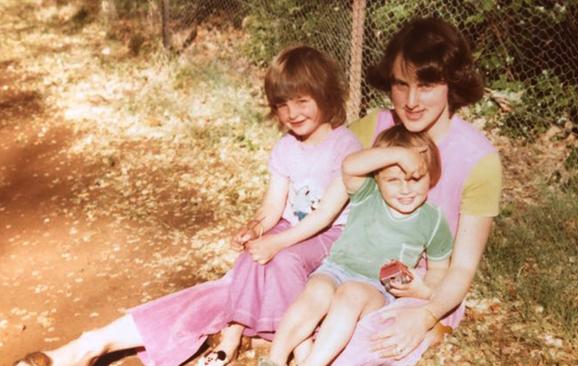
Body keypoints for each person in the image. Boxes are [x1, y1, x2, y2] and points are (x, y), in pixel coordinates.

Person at [14, 45, 361, 366]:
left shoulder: (344, 145)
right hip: (290, 236)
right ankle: (93, 345)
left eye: (301, 101)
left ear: (324, 94)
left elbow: (326, 215)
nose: (291, 113)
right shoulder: (285, 148)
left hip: (327, 241)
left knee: (262, 269)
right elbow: (274, 208)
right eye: (282, 105)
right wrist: (255, 228)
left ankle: (266, 340)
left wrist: (275, 243)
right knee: (247, 262)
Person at [332, 16, 503, 365]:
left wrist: (426, 315)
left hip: (428, 288)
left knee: (362, 349)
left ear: (451, 86)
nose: (410, 101)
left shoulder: (479, 159)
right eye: (400, 84)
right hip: (355, 267)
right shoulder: (373, 128)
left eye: (426, 85)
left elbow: (463, 267)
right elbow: (328, 206)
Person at [264, 124, 454, 366]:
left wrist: (426, 291)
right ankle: (274, 359)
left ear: (432, 175)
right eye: (394, 180)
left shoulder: (433, 219)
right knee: (316, 292)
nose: (406, 189)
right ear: (377, 178)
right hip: (335, 269)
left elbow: (439, 268)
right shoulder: (368, 194)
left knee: (349, 294)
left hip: (375, 288)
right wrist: (398, 154)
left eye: (416, 178)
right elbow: (349, 166)